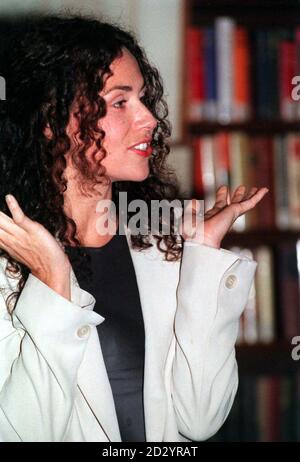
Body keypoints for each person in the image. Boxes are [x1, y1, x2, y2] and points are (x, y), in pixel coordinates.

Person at [0, 14, 268, 443]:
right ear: (51, 122)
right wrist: (52, 285)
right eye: (120, 102)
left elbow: (200, 419)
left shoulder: (160, 244)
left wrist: (202, 252)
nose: (149, 119)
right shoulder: (6, 268)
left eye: (143, 99)